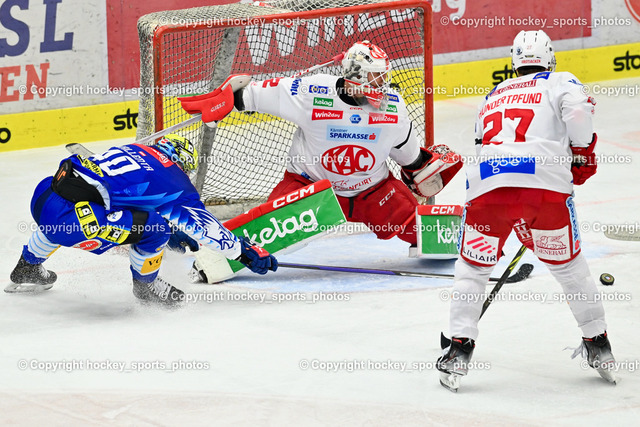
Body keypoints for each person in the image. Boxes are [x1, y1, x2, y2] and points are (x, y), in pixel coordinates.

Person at [436, 30, 615, 390]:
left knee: (473, 270)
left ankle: (458, 350)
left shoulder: (493, 94)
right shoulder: (560, 80)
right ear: (549, 58)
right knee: (569, 268)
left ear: (514, 61)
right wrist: (582, 153)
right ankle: (599, 346)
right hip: (545, 190)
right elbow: (578, 110)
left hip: (487, 188)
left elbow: (482, 143)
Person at [231, 40, 462, 248]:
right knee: (264, 233)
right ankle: (229, 248)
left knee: (426, 233)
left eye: (384, 76)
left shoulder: (393, 108)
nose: (383, 84)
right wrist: (230, 99)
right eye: (377, 76)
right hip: (310, 187)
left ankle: (464, 239)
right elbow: (249, 96)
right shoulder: (312, 91)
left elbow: (410, 160)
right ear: (357, 75)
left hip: (372, 193)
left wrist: (422, 168)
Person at [8, 135, 278, 306]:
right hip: (78, 221)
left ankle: (26, 267)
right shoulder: (175, 179)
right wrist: (244, 252)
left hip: (44, 196)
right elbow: (206, 229)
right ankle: (146, 288)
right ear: (182, 164)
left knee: (78, 213)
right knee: (157, 230)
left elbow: (124, 194)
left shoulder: (135, 149)